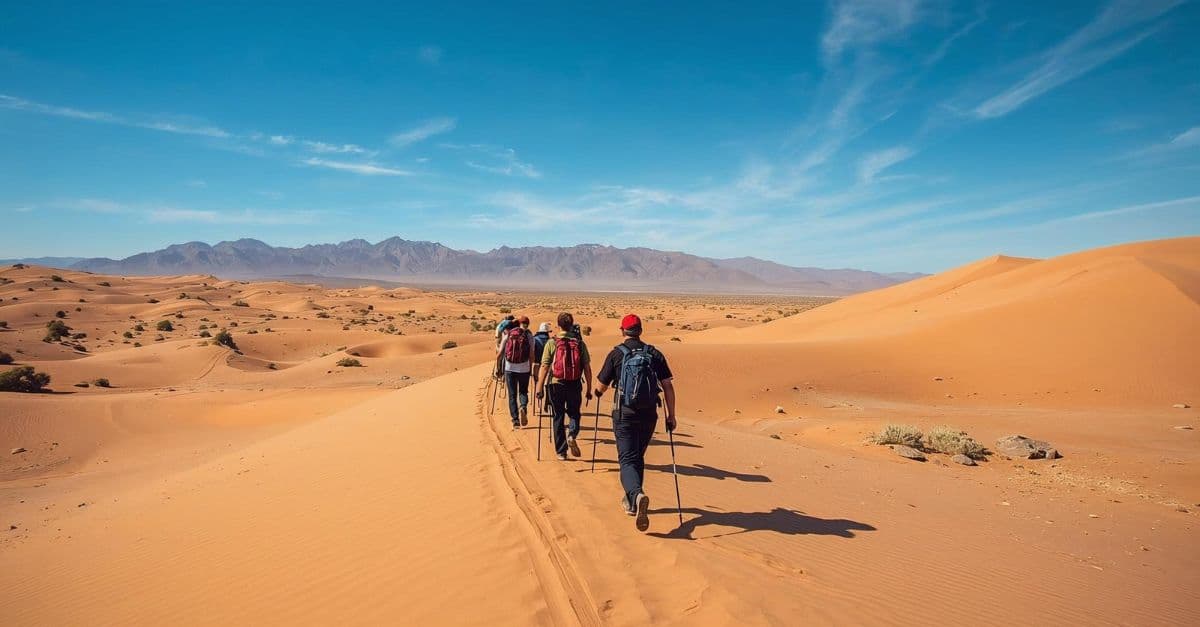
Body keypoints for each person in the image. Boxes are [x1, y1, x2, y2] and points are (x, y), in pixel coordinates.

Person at [594, 314, 675, 532]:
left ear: (623, 331)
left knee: (627, 459)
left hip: (625, 413)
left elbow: (601, 386)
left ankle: (636, 495)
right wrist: (671, 416)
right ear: (640, 330)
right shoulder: (654, 354)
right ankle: (632, 501)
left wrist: (596, 392)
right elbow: (667, 385)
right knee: (637, 456)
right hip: (649, 414)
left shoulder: (617, 354)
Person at [536, 313, 593, 461]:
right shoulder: (579, 343)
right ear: (572, 325)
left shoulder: (552, 343)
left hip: (556, 384)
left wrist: (539, 387)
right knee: (574, 414)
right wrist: (588, 389)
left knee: (558, 417)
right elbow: (587, 368)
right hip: (574, 384)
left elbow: (544, 366)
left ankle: (561, 451)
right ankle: (572, 435)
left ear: (558, 325)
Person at [497, 316, 535, 429]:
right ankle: (523, 406)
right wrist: (530, 367)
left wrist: (498, 367)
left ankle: (515, 421)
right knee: (523, 392)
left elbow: (500, 353)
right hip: (524, 368)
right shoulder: (528, 335)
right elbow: (532, 354)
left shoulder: (508, 334)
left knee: (512, 395)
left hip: (509, 368)